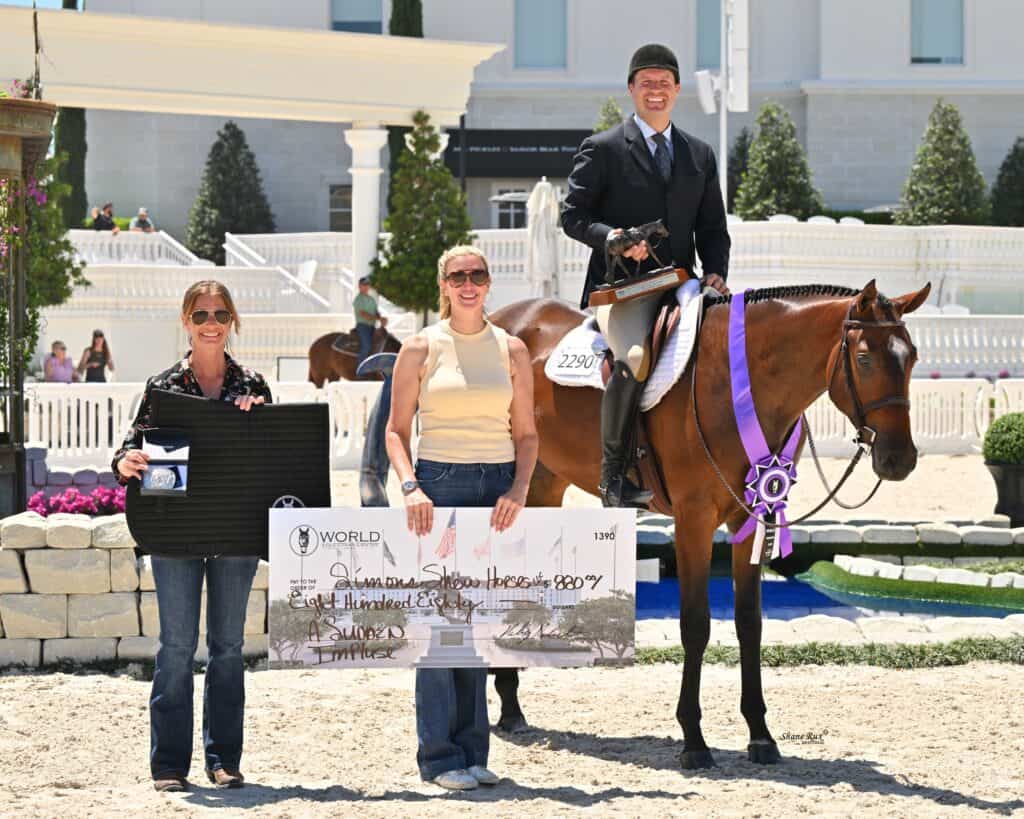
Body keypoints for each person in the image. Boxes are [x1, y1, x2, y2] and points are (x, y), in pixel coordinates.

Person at [385, 245, 538, 791]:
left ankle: (474, 753)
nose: (468, 284)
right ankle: (439, 757)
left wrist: (519, 489)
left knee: (478, 627)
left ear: (488, 283)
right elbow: (396, 431)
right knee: (438, 627)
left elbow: (527, 434)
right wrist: (411, 488)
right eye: (458, 276)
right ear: (444, 285)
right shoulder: (420, 347)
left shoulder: (513, 349)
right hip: (438, 485)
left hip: (497, 486)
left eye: (477, 275)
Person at [112, 280, 272, 793]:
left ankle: (223, 760)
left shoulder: (253, 385)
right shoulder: (163, 386)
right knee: (177, 647)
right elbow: (129, 449)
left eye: (220, 314)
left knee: (228, 647)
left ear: (232, 321)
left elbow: (273, 456)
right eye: (201, 314)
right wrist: (126, 461)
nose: (211, 323)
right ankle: (168, 764)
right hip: (174, 531)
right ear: (186, 321)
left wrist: (257, 419)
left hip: (236, 530)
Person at [561, 43, 731, 508]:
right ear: (632, 89)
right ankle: (613, 478)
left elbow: (712, 228)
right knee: (635, 359)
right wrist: (613, 238)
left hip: (683, 283)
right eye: (647, 83)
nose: (656, 91)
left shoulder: (699, 154)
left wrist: (716, 272)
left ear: (677, 90)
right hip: (623, 291)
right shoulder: (602, 149)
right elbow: (573, 216)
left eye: (664, 84)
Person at [352, 276, 387, 368]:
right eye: (364, 285)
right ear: (359, 286)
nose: (366, 287)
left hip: (372, 326)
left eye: (367, 285)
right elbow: (364, 314)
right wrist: (378, 319)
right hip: (363, 326)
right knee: (366, 346)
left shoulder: (371, 299)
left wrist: (381, 318)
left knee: (381, 344)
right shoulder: (358, 299)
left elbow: (375, 312)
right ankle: (360, 369)